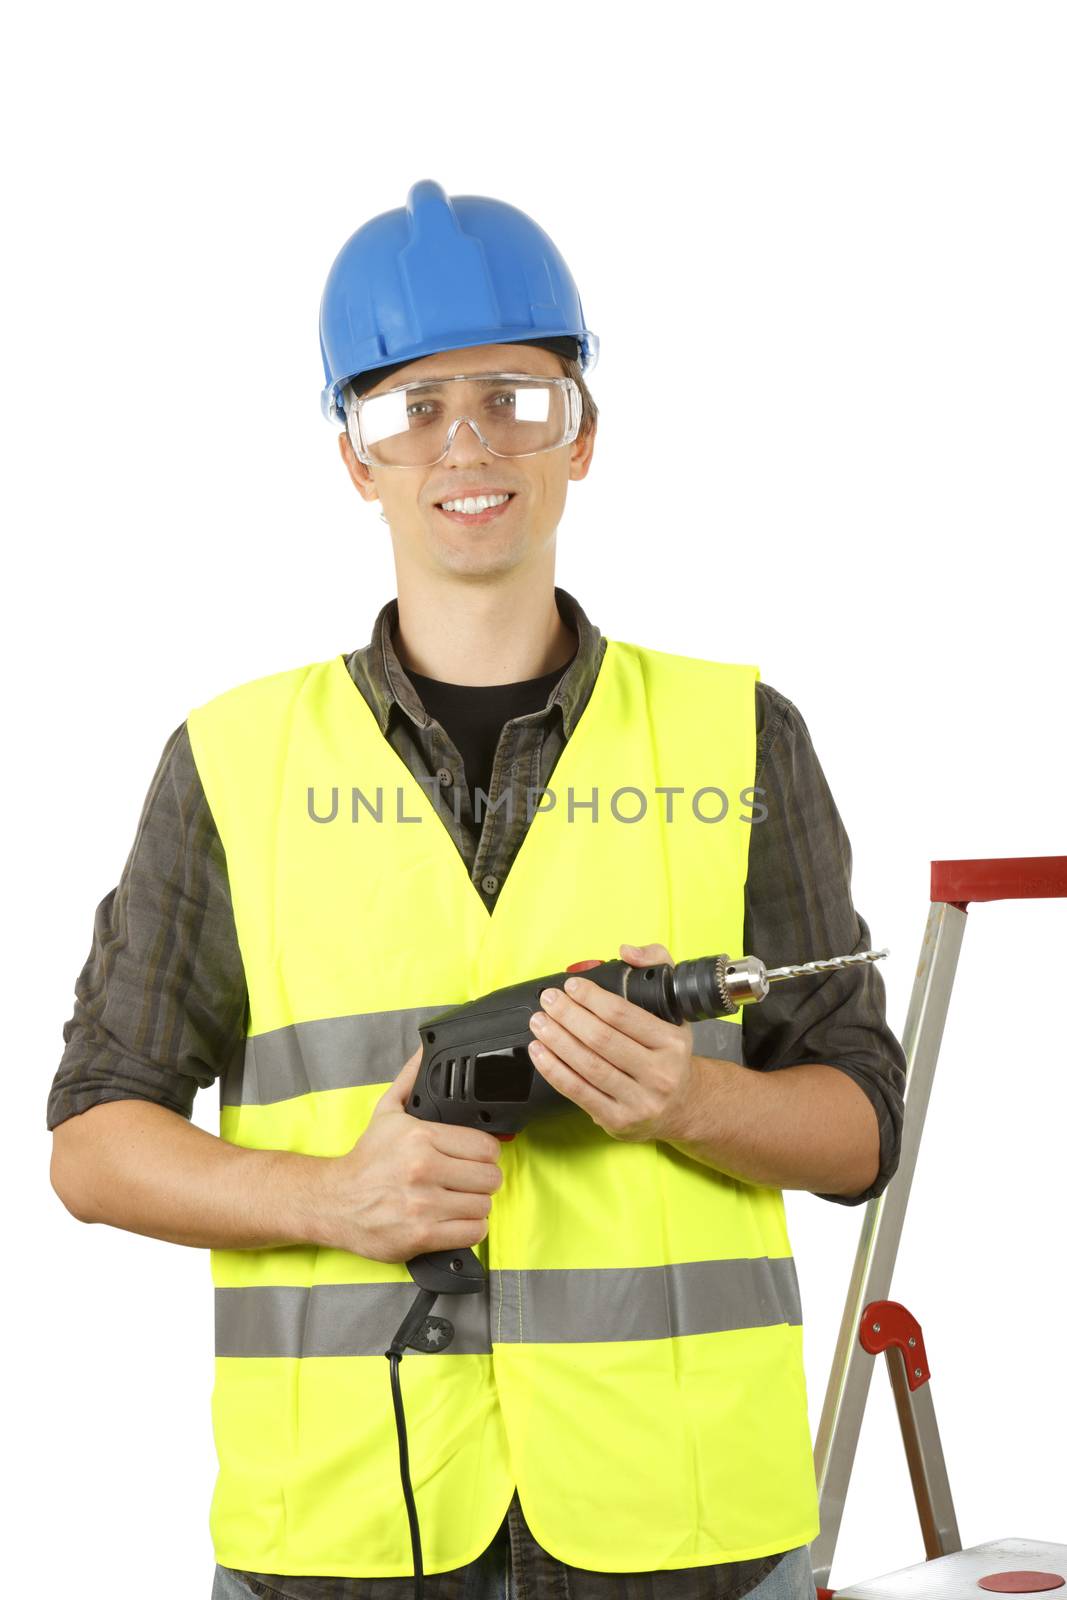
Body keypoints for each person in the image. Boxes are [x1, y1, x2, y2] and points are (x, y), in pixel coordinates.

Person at [47, 179, 907, 1600]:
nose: (467, 441)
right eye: (412, 405)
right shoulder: (231, 761)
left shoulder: (740, 737)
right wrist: (338, 1202)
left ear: (583, 439)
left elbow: (862, 1127)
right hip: (342, 1539)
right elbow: (93, 1140)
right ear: (354, 459)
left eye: (516, 395)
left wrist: (687, 1099)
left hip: (687, 1533)